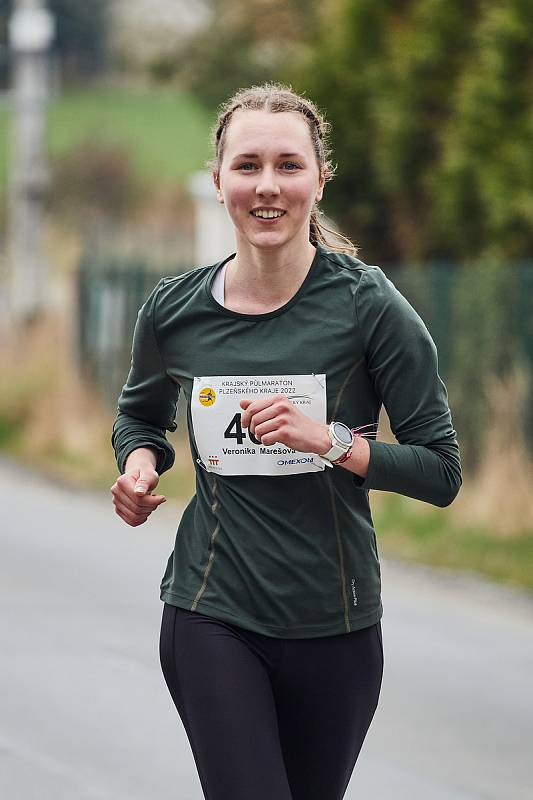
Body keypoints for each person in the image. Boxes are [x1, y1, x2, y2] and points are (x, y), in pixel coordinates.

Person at [110, 81, 462, 800]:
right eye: (246, 166)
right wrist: (139, 465)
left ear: (319, 179)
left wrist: (330, 442)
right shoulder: (173, 311)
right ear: (217, 183)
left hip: (336, 624)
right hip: (212, 614)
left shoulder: (369, 307)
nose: (266, 187)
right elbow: (140, 416)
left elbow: (441, 470)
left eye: (287, 165)